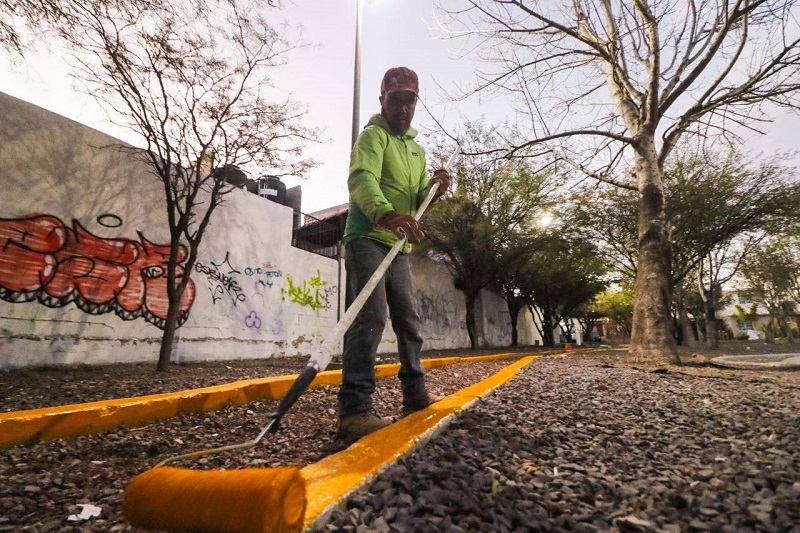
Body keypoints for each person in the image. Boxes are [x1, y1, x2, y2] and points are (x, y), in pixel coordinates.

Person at [337, 66, 451, 440]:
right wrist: (386, 215)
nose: (403, 108)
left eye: (410, 100)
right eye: (395, 99)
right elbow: (361, 179)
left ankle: (415, 396)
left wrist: (435, 190)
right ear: (382, 100)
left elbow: (419, 203)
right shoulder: (372, 136)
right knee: (369, 317)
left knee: (408, 319)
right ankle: (354, 411)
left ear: (416, 102)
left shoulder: (416, 151)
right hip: (367, 236)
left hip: (397, 246)